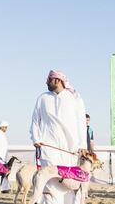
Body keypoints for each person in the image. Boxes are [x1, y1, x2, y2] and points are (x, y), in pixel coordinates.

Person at [30, 69, 87, 204]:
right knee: (50, 183)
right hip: (48, 148)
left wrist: (83, 145)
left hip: (70, 149)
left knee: (68, 184)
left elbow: (81, 121)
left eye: (49, 79)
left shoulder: (74, 98)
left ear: (57, 80)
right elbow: (35, 120)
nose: (46, 82)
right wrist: (36, 139)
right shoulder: (42, 98)